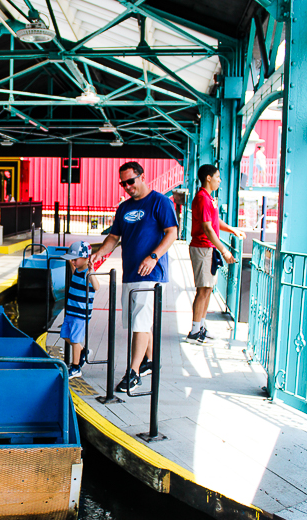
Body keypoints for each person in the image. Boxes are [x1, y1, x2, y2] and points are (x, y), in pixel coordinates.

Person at [90, 161, 178, 392]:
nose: (127, 187)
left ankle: (133, 372)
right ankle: (149, 361)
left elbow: (172, 233)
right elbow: (113, 236)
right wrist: (100, 252)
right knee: (137, 321)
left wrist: (153, 256)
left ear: (142, 177)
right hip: (130, 273)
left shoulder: (161, 202)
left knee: (140, 321)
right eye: (123, 183)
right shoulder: (124, 208)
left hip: (151, 274)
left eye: (130, 181)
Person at [187, 164, 246, 344]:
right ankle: (194, 331)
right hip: (202, 248)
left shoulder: (209, 198)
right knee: (202, 289)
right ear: (208, 178)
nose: (220, 180)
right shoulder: (202, 198)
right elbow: (207, 228)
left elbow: (214, 221)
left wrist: (232, 230)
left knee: (208, 289)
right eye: (218, 177)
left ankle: (201, 326)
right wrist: (224, 250)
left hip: (208, 248)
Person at [60, 241, 99, 379]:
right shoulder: (77, 270)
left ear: (85, 258)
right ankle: (83, 351)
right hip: (71, 311)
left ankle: (76, 367)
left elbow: (97, 286)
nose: (73, 262)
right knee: (64, 335)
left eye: (75, 259)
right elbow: (74, 272)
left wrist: (92, 272)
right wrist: (73, 265)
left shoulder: (88, 274)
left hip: (80, 314)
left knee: (75, 340)